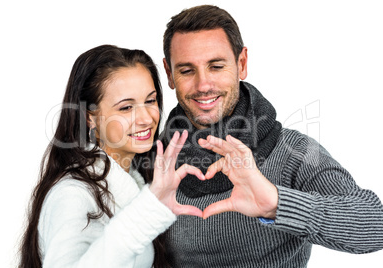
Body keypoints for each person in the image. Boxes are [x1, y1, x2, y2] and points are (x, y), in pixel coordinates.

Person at [160, 5, 383, 267]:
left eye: (216, 66)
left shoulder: (294, 152)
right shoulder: (153, 158)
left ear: (241, 64)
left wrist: (275, 204)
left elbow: (374, 226)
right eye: (187, 71)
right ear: (169, 73)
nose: (203, 85)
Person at [19, 45, 205, 268]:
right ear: (90, 118)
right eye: (126, 108)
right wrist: (150, 211)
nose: (146, 118)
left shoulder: (140, 178)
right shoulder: (73, 194)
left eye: (150, 100)